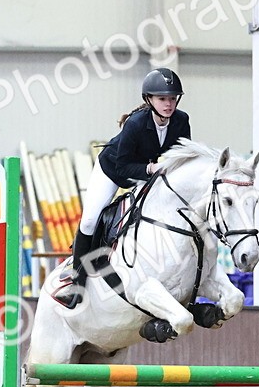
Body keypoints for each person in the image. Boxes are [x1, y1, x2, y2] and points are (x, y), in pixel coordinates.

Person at [54, 67, 191, 309]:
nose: (168, 104)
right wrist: (150, 168)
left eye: (172, 98)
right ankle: (76, 283)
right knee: (90, 220)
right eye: (162, 99)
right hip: (114, 170)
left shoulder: (181, 121)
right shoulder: (135, 124)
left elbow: (183, 157)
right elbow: (124, 165)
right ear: (149, 99)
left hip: (149, 173)